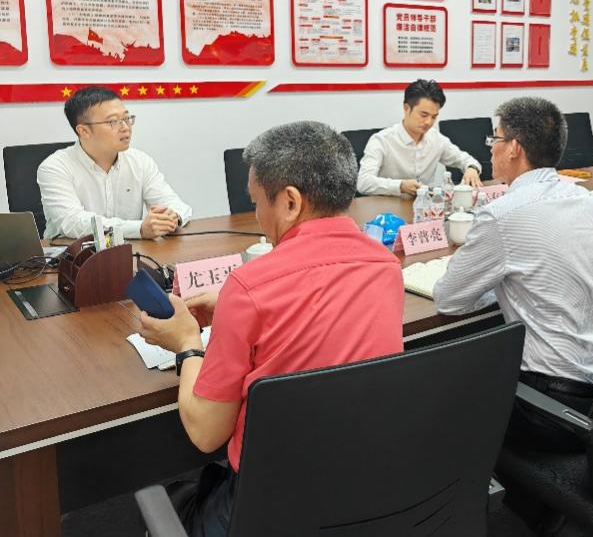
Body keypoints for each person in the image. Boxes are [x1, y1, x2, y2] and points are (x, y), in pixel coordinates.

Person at [138, 121, 404, 536]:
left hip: (270, 506)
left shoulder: (249, 287)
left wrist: (187, 342)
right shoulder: (386, 266)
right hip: (367, 488)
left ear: (291, 202)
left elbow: (206, 433)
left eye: (257, 202)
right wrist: (236, 307)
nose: (259, 217)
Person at [433, 97, 593, 453]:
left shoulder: (502, 214)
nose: (490, 148)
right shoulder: (588, 201)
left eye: (494, 139)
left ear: (514, 148)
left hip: (551, 406)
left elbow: (449, 299)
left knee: (442, 387)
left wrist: (499, 282)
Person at [37, 86, 191, 240]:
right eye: (113, 121)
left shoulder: (140, 161)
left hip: (130, 250)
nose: (125, 127)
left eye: (127, 118)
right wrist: (138, 229)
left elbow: (175, 204)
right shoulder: (54, 167)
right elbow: (72, 222)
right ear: (84, 131)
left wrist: (172, 217)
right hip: (71, 252)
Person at [356, 79, 483, 196]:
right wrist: (400, 186)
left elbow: (466, 159)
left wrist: (472, 169)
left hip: (426, 207)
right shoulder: (381, 140)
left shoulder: (436, 139)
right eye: (423, 115)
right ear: (406, 108)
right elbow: (363, 182)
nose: (428, 122)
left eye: (434, 117)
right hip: (387, 209)